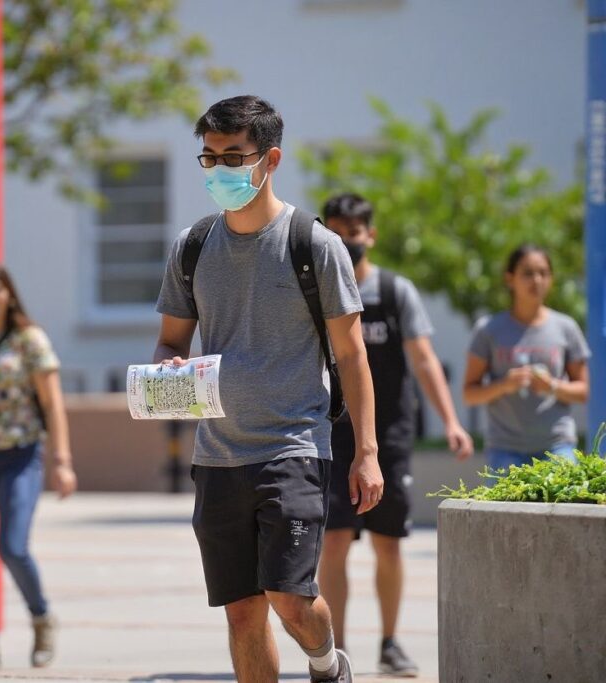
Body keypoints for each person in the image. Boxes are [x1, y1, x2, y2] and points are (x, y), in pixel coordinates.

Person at [154, 95, 383, 683]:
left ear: (271, 158)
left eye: (234, 156)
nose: (220, 170)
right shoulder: (193, 247)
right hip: (218, 455)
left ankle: (328, 664)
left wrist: (367, 454)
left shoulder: (316, 245)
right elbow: (170, 342)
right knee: (242, 612)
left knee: (290, 597)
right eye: (209, 158)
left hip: (294, 448)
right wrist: (170, 373)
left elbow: (353, 356)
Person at [316, 193, 474, 676]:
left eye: (356, 230)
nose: (348, 239)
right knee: (335, 540)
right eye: (337, 230)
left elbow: (425, 360)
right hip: (333, 433)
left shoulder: (393, 290)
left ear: (371, 234)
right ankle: (334, 649)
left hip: (389, 434)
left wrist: (450, 420)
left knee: (388, 542)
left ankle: (389, 642)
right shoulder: (317, 289)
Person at [0, 260, 78, 673]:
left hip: (20, 456)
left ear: (9, 293)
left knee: (12, 547)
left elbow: (52, 404)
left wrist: (63, 462)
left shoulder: (29, 340)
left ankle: (41, 616)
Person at [463, 244, 590, 470]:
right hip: (505, 451)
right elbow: (469, 394)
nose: (537, 280)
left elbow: (583, 391)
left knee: (566, 504)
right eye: (528, 273)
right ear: (510, 279)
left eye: (543, 273)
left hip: (557, 447)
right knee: (503, 507)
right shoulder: (489, 330)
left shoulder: (566, 328)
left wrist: (551, 385)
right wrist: (504, 385)